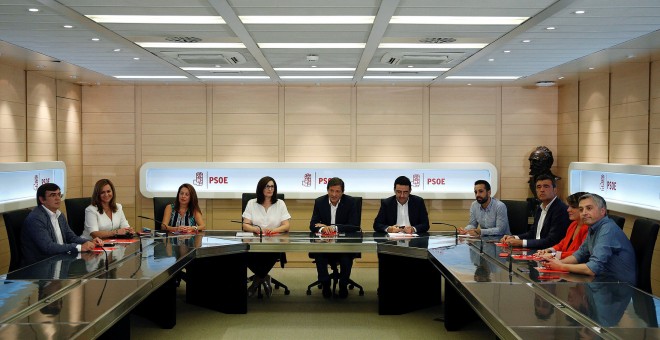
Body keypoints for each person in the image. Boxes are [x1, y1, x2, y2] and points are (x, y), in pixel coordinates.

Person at [543, 194, 636, 285]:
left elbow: (593, 268)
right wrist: (556, 263)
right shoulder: (593, 227)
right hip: (602, 283)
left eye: (589, 208)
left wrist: (562, 266)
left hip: (619, 288)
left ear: (602, 211)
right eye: (581, 209)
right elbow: (580, 254)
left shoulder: (607, 229)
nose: (584, 213)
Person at [21, 183, 103, 267]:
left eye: (59, 194)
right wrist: (79, 247)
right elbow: (48, 247)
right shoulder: (36, 218)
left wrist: (88, 242)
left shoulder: (59, 215)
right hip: (40, 267)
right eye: (53, 195)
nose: (58, 198)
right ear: (42, 199)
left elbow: (71, 237)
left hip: (60, 260)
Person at [309, 177, 360, 298]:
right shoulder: (320, 202)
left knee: (346, 256)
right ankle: (325, 283)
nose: (334, 194)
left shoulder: (350, 202)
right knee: (319, 253)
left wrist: (333, 228)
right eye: (331, 191)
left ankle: (343, 284)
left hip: (344, 244)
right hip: (324, 243)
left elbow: (354, 226)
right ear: (327, 190)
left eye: (337, 191)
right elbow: (313, 224)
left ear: (342, 192)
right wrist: (322, 229)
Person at [242, 176, 291, 297]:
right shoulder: (251, 203)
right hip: (254, 242)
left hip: (274, 242)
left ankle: (256, 281)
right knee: (245, 254)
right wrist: (257, 230)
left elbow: (286, 226)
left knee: (271, 254)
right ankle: (264, 277)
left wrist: (274, 230)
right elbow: (245, 225)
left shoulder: (280, 203)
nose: (270, 189)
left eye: (272, 186)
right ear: (261, 188)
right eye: (267, 186)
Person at [500, 174, 570, 249]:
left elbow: (552, 241)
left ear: (555, 190)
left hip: (550, 253)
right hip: (537, 249)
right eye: (538, 187)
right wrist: (514, 237)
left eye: (546, 186)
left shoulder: (561, 209)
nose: (542, 190)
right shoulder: (540, 207)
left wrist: (521, 242)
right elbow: (533, 233)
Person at [536, 192, 589, 260]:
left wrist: (553, 255)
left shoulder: (588, 229)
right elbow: (563, 243)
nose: (568, 210)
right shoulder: (573, 224)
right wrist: (548, 250)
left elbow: (579, 254)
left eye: (573, 207)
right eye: (569, 206)